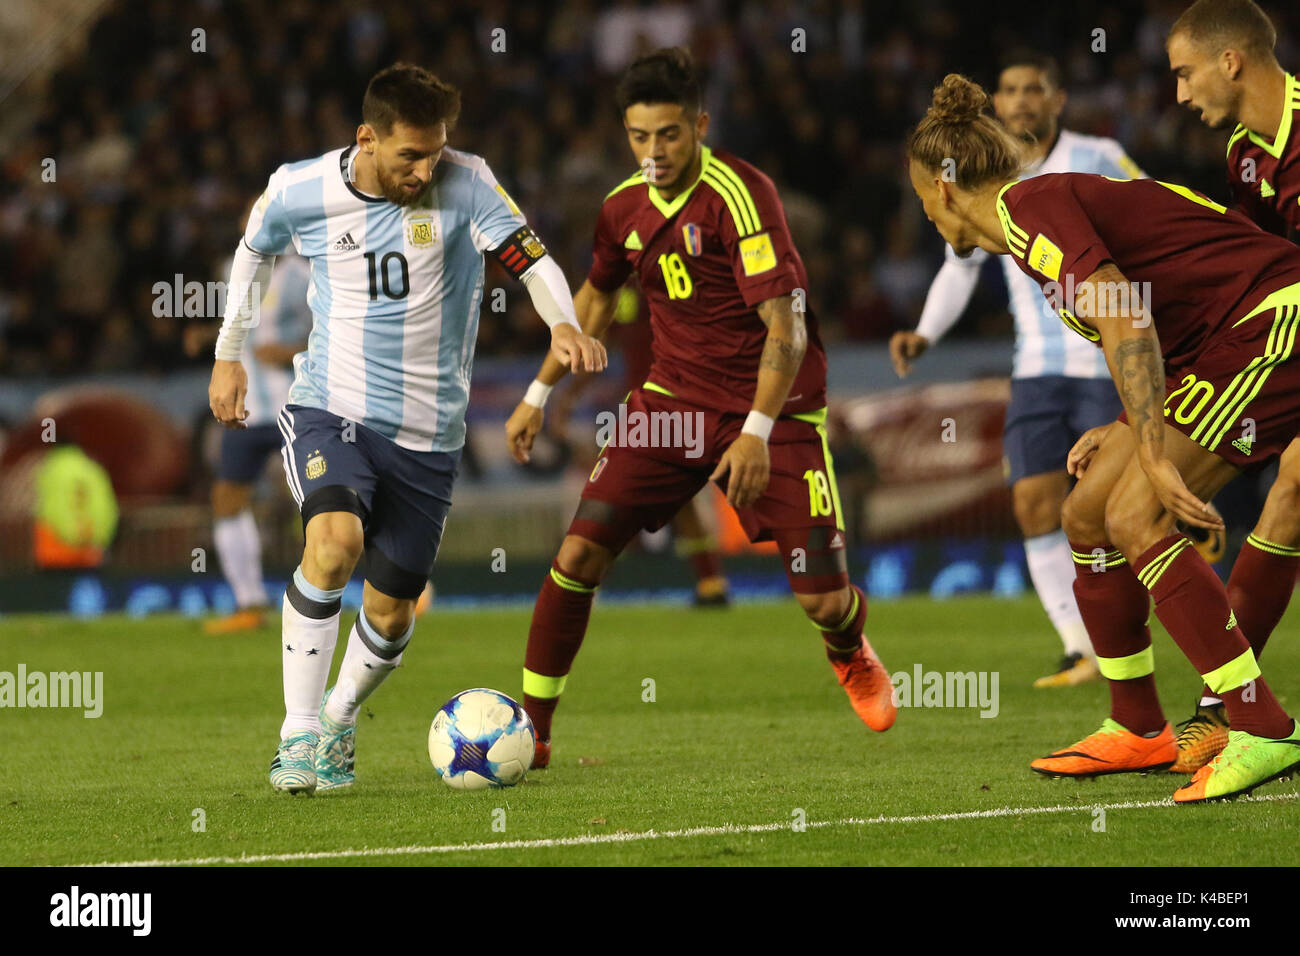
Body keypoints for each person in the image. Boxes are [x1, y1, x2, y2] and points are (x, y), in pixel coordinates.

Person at [208, 62, 606, 794]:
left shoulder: (468, 181)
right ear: (367, 138)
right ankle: (296, 734)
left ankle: (336, 719)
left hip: (429, 434)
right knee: (333, 544)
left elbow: (532, 258)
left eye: (435, 152)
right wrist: (228, 354)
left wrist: (565, 325)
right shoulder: (301, 188)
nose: (426, 170)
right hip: (335, 408)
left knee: (390, 612)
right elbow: (254, 250)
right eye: (409, 156)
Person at [906, 72, 1300, 803]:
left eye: (923, 197)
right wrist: (1126, 426)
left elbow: (1125, 313)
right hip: (1225, 336)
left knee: (1134, 513)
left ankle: (1262, 725)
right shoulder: (1037, 218)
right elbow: (1167, 307)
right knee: (1086, 512)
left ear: (944, 187)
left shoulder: (1034, 208)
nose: (927, 215)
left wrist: (1149, 450)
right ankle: (1138, 725)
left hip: (1276, 321)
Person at [506, 48, 898, 771]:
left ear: (700, 126)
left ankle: (848, 646)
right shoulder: (621, 206)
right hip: (673, 401)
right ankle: (532, 730)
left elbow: (788, 325)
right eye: (640, 137)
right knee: (578, 553)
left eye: (670, 136)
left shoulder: (740, 196)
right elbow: (593, 299)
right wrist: (539, 392)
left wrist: (753, 433)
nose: (654, 153)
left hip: (771, 411)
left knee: (821, 599)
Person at [892, 50, 1144, 688]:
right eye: (1009, 88)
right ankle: (1081, 649)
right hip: (1036, 366)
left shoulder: (1097, 159)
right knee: (1036, 501)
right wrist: (925, 331)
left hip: (1107, 357)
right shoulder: (985, 183)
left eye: (1035, 87)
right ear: (995, 104)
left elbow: (1147, 226)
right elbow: (961, 262)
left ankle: (1141, 646)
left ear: (1058, 100)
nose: (1023, 99)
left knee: (1113, 507)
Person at [1164, 0, 1300, 772]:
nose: (1180, 97)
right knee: (1293, 488)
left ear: (1230, 61)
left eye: (1185, 74)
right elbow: (1257, 278)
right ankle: (1225, 709)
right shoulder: (1246, 156)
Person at [191, 253, 311, 634]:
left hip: (296, 404)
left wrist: (292, 351)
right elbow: (239, 326)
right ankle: (250, 603)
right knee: (226, 498)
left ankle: (395, 587)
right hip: (245, 409)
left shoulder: (304, 275)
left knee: (328, 497)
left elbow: (338, 331)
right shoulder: (231, 269)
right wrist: (209, 336)